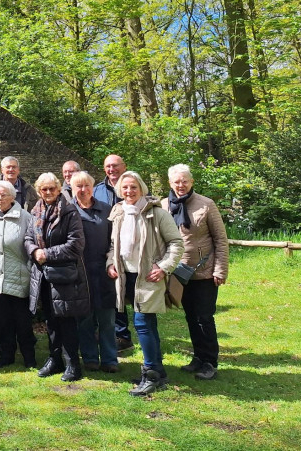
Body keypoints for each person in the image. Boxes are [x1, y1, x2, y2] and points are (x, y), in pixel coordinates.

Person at [106, 171, 184, 396]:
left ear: (141, 188)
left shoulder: (157, 213)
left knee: (142, 323)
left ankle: (150, 374)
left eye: (133, 187)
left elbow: (176, 243)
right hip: (126, 276)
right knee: (146, 324)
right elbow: (113, 245)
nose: (129, 191)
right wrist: (111, 264)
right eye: (125, 188)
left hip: (148, 276)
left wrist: (163, 267)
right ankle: (157, 371)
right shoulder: (119, 212)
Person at [162, 164, 228, 381]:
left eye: (184, 181)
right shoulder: (164, 205)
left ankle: (210, 362)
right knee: (190, 317)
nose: (180, 185)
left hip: (204, 272)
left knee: (204, 318)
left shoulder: (206, 204)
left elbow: (220, 239)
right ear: (170, 183)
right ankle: (198, 358)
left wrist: (220, 269)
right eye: (176, 182)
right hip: (177, 272)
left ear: (191, 182)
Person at [25, 172, 89, 382]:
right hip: (42, 275)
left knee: (66, 320)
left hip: (64, 275)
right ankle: (55, 360)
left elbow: (76, 245)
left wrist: (47, 254)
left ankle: (73, 364)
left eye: (52, 188)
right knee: (51, 320)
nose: (49, 192)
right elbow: (27, 238)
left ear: (59, 188)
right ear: (38, 191)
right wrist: (34, 251)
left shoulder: (70, 212)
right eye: (44, 189)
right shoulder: (35, 211)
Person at [0, 180, 36, 369]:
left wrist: (28, 270)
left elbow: (31, 246)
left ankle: (29, 357)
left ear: (12, 197)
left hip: (19, 277)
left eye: (4, 195)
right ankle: (6, 354)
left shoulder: (26, 218)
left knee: (23, 322)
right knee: (1, 322)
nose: (0, 198)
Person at [69, 171, 117, 373]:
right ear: (72, 189)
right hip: (79, 274)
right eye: (78, 186)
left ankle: (110, 359)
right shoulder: (67, 211)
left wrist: (112, 262)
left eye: (86, 185)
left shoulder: (107, 210)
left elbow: (115, 242)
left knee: (107, 319)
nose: (83, 190)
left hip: (104, 272)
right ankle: (89, 357)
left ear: (92, 187)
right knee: (85, 319)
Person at [93, 154, 132, 352]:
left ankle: (123, 336)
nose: (111, 169)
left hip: (128, 247)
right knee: (110, 290)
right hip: (104, 246)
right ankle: (111, 333)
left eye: (115, 166)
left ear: (123, 166)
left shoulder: (131, 186)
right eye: (108, 166)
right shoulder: (97, 190)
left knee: (123, 291)